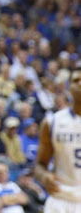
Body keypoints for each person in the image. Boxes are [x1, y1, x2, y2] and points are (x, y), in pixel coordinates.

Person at [35, 66, 81, 213]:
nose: (80, 83)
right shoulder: (52, 122)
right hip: (60, 200)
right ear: (69, 87)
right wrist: (44, 176)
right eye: (76, 80)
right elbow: (39, 164)